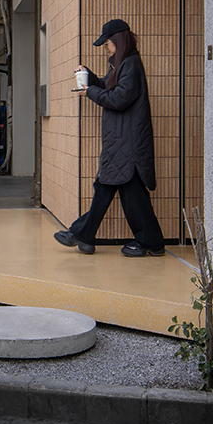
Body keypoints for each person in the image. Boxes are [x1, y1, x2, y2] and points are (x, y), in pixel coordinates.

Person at [54, 18, 165, 258]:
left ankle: (84, 234)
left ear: (117, 40)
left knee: (112, 188)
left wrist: (90, 91)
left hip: (128, 143)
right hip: (123, 142)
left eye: (107, 43)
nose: (106, 47)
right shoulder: (123, 64)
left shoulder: (131, 64)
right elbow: (109, 85)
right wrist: (90, 77)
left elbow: (120, 98)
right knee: (123, 191)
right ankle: (149, 242)